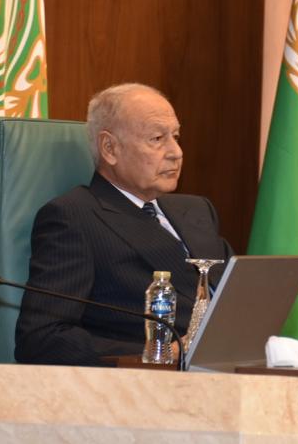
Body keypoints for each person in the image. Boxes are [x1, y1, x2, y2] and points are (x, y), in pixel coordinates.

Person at [15, 83, 233, 366]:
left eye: (176, 136)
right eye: (157, 138)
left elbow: (234, 297)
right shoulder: (75, 217)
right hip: (157, 381)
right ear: (110, 148)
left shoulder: (197, 210)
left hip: (236, 362)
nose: (176, 152)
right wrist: (159, 354)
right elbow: (42, 338)